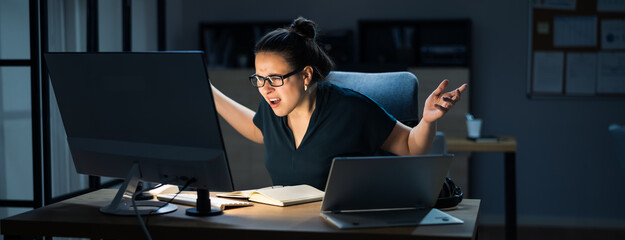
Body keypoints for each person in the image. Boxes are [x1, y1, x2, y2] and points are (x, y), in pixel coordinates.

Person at [211, 17, 468, 190]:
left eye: (276, 78)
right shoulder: (273, 109)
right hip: (290, 226)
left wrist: (427, 120)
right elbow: (258, 130)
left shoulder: (351, 108)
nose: (265, 89)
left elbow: (412, 147)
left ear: (306, 75)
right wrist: (210, 91)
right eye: (259, 78)